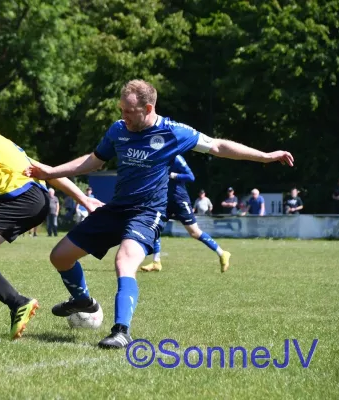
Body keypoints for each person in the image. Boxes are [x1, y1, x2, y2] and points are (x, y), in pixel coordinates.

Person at [25, 80, 293, 349]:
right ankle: (83, 300)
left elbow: (217, 147)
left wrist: (265, 156)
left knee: (124, 261)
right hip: (117, 208)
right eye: (121, 110)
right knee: (60, 256)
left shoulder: (173, 132)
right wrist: (51, 172)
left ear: (148, 108)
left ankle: (121, 331)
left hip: (147, 212)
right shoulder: (119, 129)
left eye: (129, 111)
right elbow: (94, 160)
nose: (123, 116)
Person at [0, 102, 103, 340]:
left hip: (20, 197)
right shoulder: (0, 144)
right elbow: (47, 171)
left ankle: (18, 303)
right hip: (34, 197)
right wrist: (84, 200)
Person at [140, 155, 230, 273]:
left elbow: (190, 177)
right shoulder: (158, 157)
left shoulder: (177, 158)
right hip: (164, 200)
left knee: (194, 232)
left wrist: (172, 175)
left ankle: (222, 253)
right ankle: (156, 262)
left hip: (180, 200)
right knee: (155, 228)